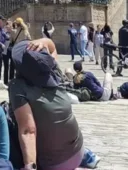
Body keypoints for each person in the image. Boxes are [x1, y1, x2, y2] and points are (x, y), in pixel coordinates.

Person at [7, 39, 99, 170]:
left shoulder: (18, 87)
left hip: (54, 164)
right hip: (77, 152)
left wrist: (30, 167)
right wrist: (43, 41)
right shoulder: (54, 73)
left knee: (8, 121)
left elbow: (28, 131)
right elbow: (53, 48)